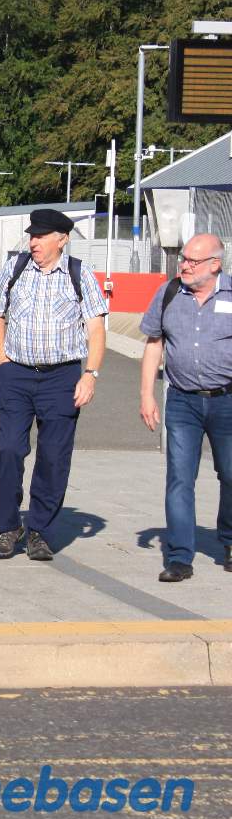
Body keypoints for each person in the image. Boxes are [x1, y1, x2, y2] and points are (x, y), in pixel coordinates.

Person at [0, 208, 107, 561]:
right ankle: (8, 528)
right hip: (17, 375)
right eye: (32, 235)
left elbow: (96, 329)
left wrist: (91, 374)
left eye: (41, 236)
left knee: (53, 458)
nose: (33, 241)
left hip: (62, 377)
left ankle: (39, 530)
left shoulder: (79, 274)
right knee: (9, 451)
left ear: (62, 239)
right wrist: (1, 360)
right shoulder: (16, 268)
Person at [139, 233, 232, 582]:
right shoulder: (169, 293)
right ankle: (179, 557)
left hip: (227, 400)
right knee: (180, 478)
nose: (185, 265)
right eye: (184, 258)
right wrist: (147, 394)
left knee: (231, 475)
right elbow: (153, 344)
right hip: (182, 401)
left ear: (215, 264)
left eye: (193, 260)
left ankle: (229, 541)